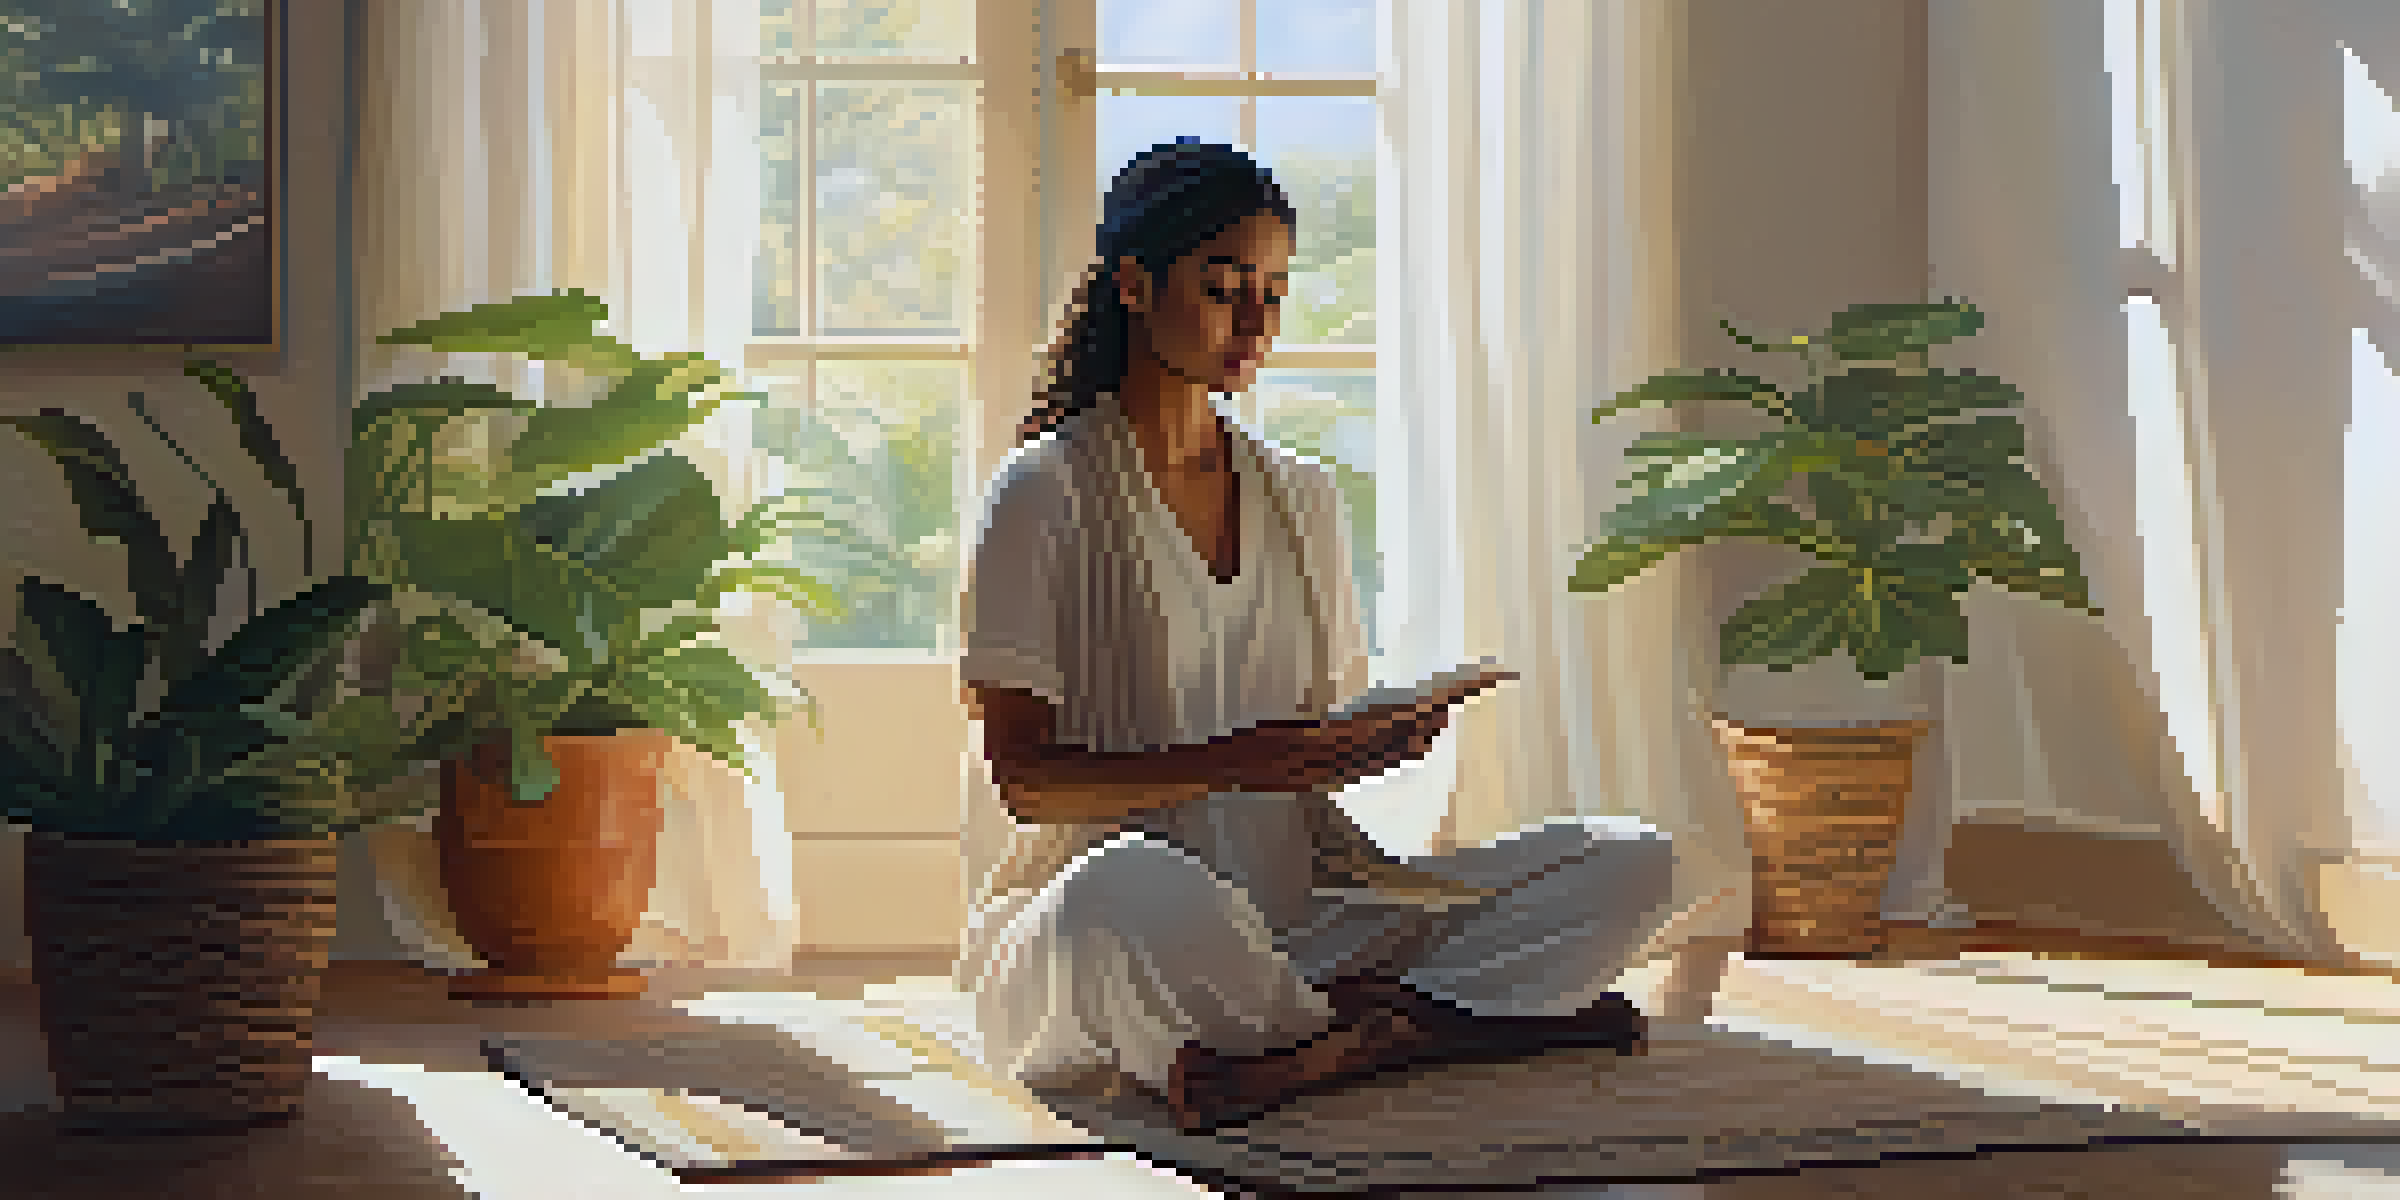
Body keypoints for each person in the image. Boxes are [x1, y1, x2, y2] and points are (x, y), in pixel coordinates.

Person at [956, 139, 1715, 1134]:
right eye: (1224, 288)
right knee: (1125, 888)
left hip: (1304, 921)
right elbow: (1027, 782)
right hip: (1124, 931)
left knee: (1635, 859)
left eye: (1274, 293)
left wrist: (1371, 745)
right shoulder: (1041, 493)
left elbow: (1308, 749)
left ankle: (1336, 1041)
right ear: (1133, 285)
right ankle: (1453, 1024)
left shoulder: (1303, 497)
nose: (1256, 323)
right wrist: (1240, 763)